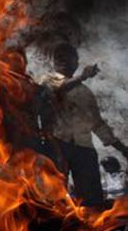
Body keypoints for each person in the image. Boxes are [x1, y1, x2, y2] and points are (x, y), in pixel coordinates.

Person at [40, 42, 128, 207]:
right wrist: (82, 76)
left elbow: (97, 124)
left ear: (76, 62)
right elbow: (55, 91)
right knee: (53, 196)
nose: (62, 58)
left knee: (91, 201)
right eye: (58, 56)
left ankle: (91, 229)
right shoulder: (47, 80)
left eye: (68, 56)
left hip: (85, 150)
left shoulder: (86, 93)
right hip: (57, 146)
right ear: (53, 62)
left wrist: (122, 149)